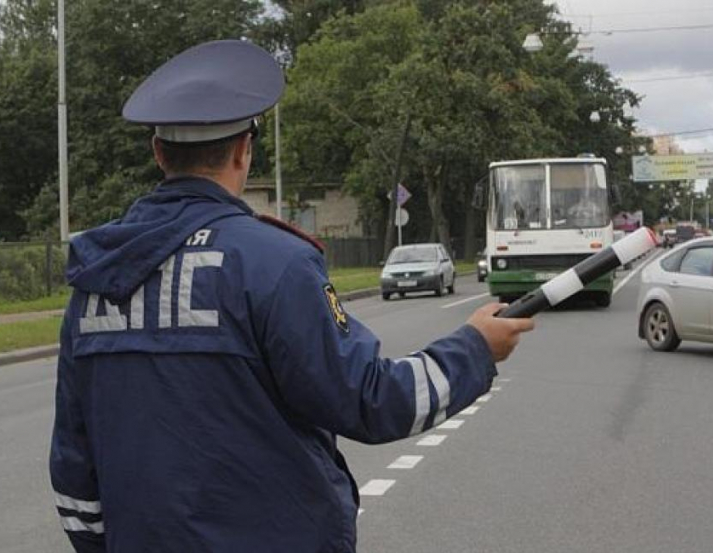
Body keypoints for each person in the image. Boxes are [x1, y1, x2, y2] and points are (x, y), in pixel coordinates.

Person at [49, 40, 534, 553]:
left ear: (158, 151)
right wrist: (476, 347)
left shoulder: (98, 275)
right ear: (244, 150)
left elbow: (73, 464)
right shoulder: (274, 262)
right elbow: (370, 402)